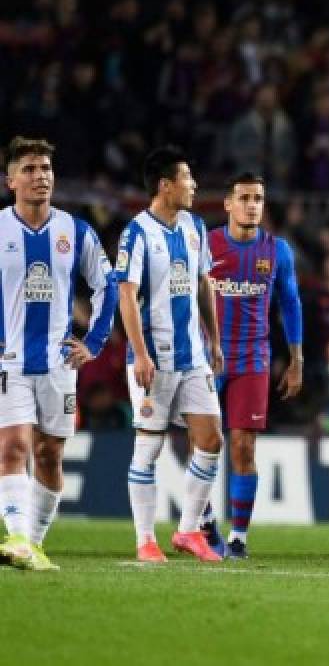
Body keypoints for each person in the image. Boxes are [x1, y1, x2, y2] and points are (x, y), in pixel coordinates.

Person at [0, 137, 117, 571]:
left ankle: (32, 543)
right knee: (13, 447)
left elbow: (108, 284)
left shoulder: (76, 231)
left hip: (58, 364)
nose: (40, 177)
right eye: (29, 169)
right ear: (11, 180)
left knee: (49, 454)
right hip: (9, 362)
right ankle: (15, 536)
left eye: (46, 169)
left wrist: (96, 341)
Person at [119, 146, 225, 563]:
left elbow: (203, 285)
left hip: (193, 356)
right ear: (165, 185)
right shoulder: (138, 231)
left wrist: (213, 338)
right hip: (153, 360)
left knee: (211, 439)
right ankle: (146, 539)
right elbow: (126, 294)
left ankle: (187, 533)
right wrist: (141, 354)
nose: (194, 185)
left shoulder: (195, 226)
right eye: (187, 178)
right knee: (149, 448)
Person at [205, 172, 303, 559]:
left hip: (253, 359)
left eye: (258, 198)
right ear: (228, 204)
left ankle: (238, 537)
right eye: (244, 197)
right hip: (207, 359)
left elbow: (291, 305)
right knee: (205, 445)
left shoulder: (277, 251)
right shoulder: (206, 245)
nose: (251, 205)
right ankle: (206, 520)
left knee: (244, 447)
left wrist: (296, 360)